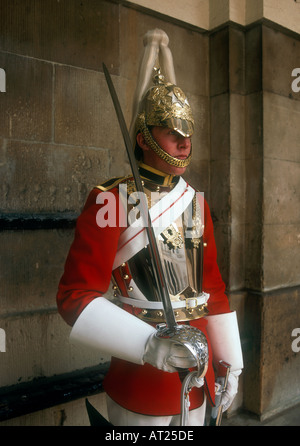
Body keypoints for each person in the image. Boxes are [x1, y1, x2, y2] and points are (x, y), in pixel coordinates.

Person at [56, 29, 243, 426]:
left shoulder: (196, 202)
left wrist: (230, 362)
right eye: (172, 133)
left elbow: (212, 290)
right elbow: (75, 295)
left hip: (198, 372)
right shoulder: (112, 199)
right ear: (143, 137)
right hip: (141, 374)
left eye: (187, 133)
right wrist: (147, 344)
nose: (184, 143)